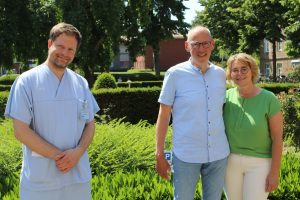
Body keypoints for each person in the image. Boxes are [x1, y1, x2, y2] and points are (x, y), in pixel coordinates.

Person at [5, 22, 100, 200]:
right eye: (60, 46)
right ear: (50, 44)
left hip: (77, 180)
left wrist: (78, 152)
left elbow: (89, 123)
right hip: (41, 182)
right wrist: (61, 157)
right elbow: (21, 131)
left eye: (71, 49)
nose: (65, 53)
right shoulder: (26, 82)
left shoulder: (81, 84)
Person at [155, 25, 230, 200]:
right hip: (186, 155)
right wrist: (159, 154)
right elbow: (164, 115)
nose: (201, 49)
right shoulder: (174, 74)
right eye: (196, 44)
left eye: (205, 44)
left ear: (212, 45)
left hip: (218, 154)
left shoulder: (220, 74)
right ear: (187, 46)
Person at [223, 53, 283, 200]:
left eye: (244, 69)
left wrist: (274, 173)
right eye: (234, 70)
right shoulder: (225, 97)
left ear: (252, 71)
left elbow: (277, 139)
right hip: (229, 163)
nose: (239, 73)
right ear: (230, 74)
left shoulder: (269, 99)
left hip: (260, 164)